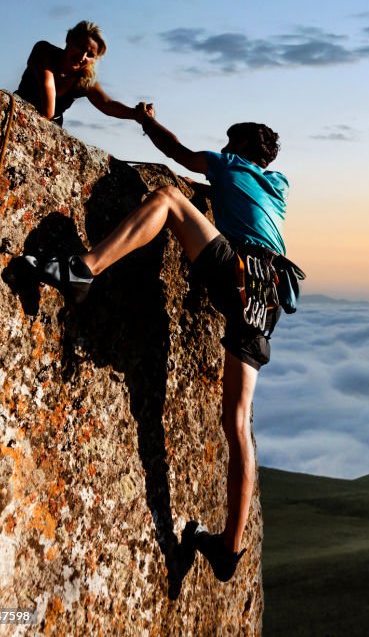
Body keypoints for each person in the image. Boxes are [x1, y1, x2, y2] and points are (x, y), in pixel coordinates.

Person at [25, 103, 290, 582]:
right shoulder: (279, 188)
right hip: (267, 298)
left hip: (237, 274)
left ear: (243, 147)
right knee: (237, 424)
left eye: (231, 141)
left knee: (168, 198)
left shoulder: (230, 165)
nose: (224, 147)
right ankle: (229, 547)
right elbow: (232, 199)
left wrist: (146, 122)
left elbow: (182, 157)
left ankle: (84, 269)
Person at [16, 20, 143, 126]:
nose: (82, 57)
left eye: (90, 55)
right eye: (81, 47)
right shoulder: (44, 51)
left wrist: (138, 114)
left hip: (51, 127)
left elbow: (107, 104)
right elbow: (47, 87)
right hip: (20, 112)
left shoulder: (84, 79)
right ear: (68, 39)